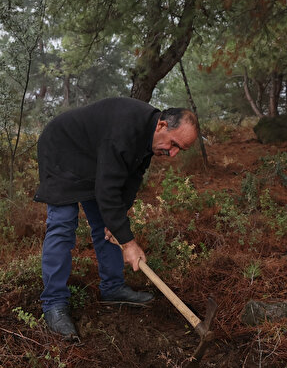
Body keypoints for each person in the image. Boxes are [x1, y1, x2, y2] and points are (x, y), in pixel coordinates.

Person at [34, 98, 199, 341]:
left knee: (108, 221)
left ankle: (113, 288)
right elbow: (107, 189)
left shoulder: (148, 136)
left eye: (179, 150)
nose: (172, 154)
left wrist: (118, 222)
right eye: (174, 144)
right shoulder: (125, 130)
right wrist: (129, 243)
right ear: (162, 125)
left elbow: (131, 180)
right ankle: (54, 304)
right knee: (63, 224)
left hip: (92, 156)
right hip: (62, 150)